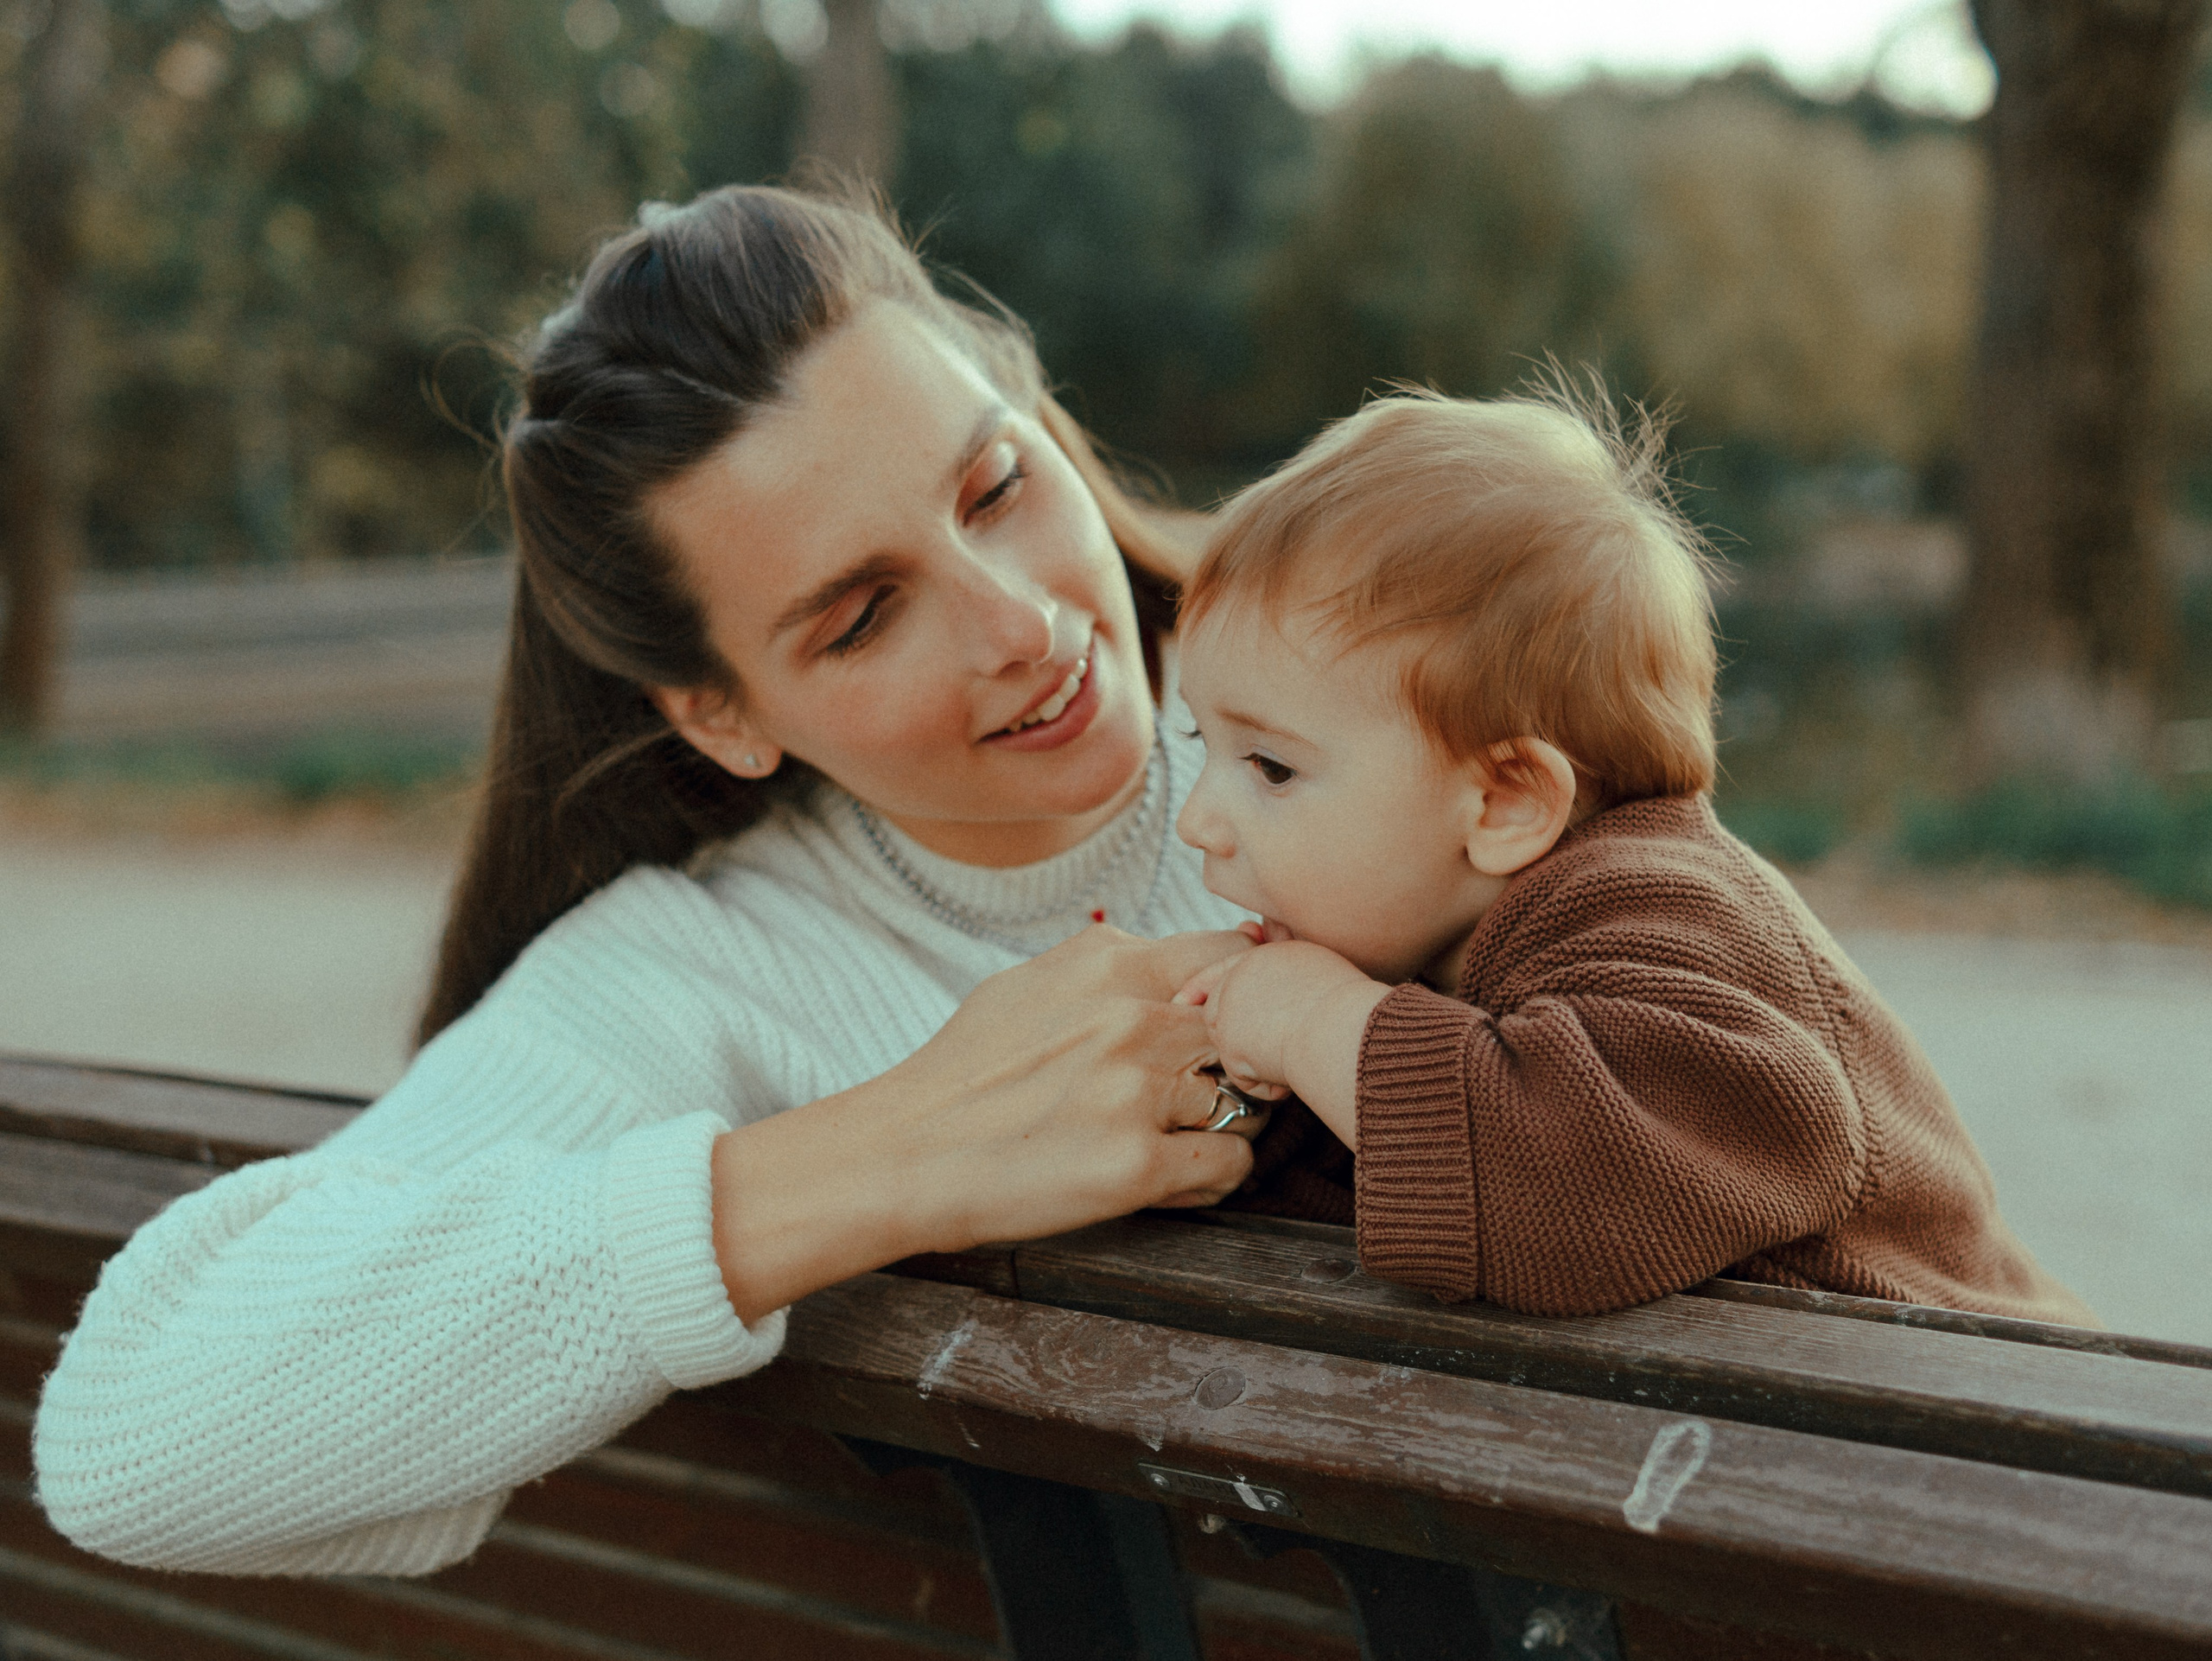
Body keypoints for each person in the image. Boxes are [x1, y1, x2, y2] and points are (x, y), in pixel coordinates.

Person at [32, 186, 1266, 1575]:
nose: (1022, 621)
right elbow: (131, 1435)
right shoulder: (700, 974)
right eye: (864, 615)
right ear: (721, 714)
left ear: (1034, 409)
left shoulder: (1410, 670)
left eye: (996, 487)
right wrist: (896, 1152)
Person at [1171, 385, 2095, 1325]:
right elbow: (1374, 1181)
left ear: (1506, 802)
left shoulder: (1662, 916)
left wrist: (1312, 1021)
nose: (1197, 819)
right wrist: (1237, 1106)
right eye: (1197, 743)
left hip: (1977, 1431)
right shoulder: (1454, 936)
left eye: (1270, 765)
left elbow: (1553, 1201)